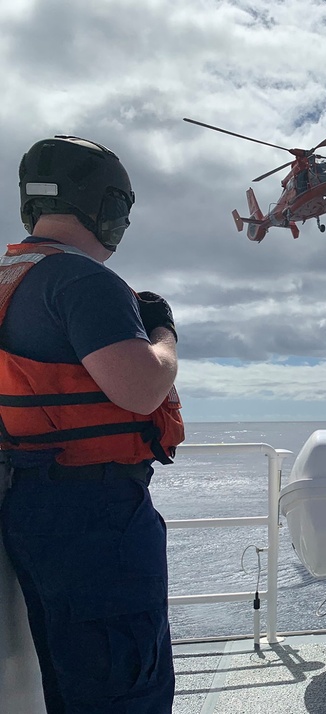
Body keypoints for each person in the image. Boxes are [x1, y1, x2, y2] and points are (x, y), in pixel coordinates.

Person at [0, 135, 185, 713]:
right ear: (105, 205)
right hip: (95, 514)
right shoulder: (82, 280)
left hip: (33, 499)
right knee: (124, 680)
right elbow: (141, 388)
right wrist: (163, 332)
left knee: (71, 674)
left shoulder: (14, 275)